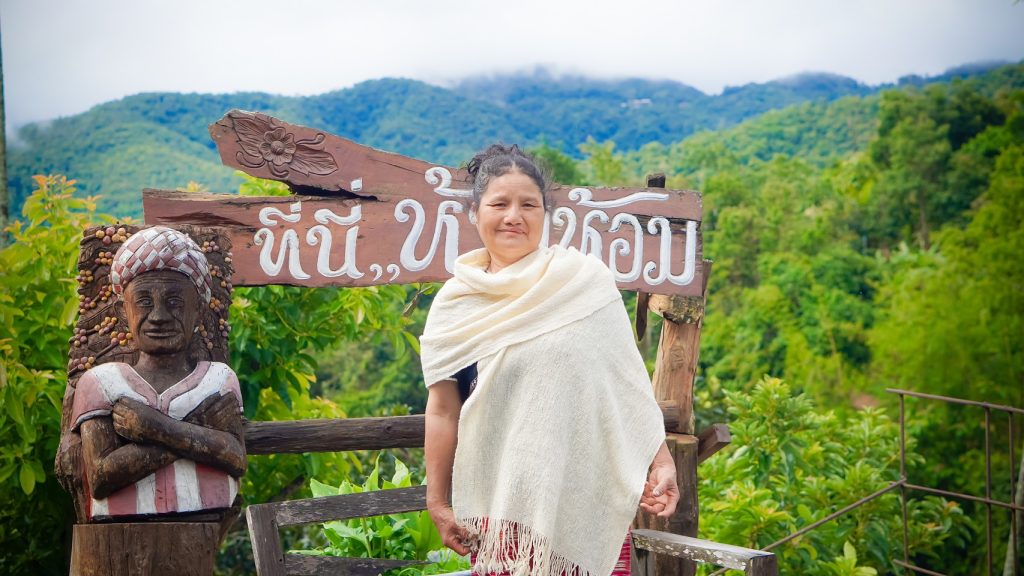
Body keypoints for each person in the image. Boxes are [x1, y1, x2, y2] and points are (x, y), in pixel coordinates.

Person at [422, 145, 679, 576]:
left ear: (546, 214)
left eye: (528, 205)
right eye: (499, 204)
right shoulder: (457, 305)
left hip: (585, 509)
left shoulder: (585, 283)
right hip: (503, 513)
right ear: (474, 213)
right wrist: (437, 502)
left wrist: (662, 462)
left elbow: (627, 388)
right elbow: (444, 410)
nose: (514, 216)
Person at [70, 226, 246, 525]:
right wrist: (198, 428)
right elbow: (100, 476)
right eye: (144, 302)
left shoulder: (218, 380)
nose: (159, 316)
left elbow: (236, 457)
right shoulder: (100, 383)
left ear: (198, 311)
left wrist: (154, 427)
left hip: (205, 521)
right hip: (120, 532)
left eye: (175, 302)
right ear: (124, 311)